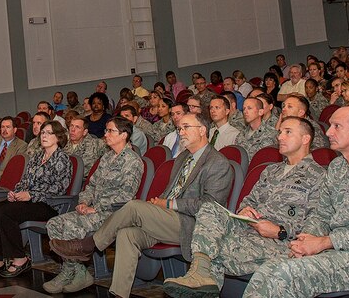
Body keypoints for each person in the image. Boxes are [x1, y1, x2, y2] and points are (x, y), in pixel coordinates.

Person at [49, 112, 233, 298]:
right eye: (179, 128)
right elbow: (171, 191)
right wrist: (159, 203)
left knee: (133, 206)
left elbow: (211, 206)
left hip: (193, 225)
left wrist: (169, 203)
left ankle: (90, 245)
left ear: (202, 130)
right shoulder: (183, 158)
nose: (181, 132)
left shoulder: (217, 162)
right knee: (127, 234)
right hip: (167, 219)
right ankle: (119, 294)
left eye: (186, 127)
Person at [244, 106, 349, 297]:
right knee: (268, 270)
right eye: (330, 125)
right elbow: (322, 215)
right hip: (336, 250)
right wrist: (305, 241)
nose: (328, 132)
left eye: (337, 126)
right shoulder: (337, 167)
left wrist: (324, 242)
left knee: (287, 273)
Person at [163, 116, 325, 297]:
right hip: (249, 229)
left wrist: (280, 231)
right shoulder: (271, 170)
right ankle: (200, 273)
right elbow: (249, 200)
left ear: (305, 139)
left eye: (287, 132)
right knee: (210, 208)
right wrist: (244, 210)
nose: (279, 137)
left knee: (212, 250)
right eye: (280, 132)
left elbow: (317, 222)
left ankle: (201, 275)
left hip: (281, 242)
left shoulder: (319, 175)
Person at [42, 117, 143, 294]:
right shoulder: (106, 157)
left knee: (72, 227)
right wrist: (83, 202)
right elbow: (91, 185)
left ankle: (71, 272)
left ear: (124, 135)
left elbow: (125, 197)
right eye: (106, 130)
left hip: (113, 214)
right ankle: (76, 271)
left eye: (111, 131)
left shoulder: (133, 161)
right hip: (92, 209)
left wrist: (96, 208)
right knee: (54, 224)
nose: (106, 134)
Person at [0, 121, 72, 278]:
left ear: (58, 137)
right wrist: (15, 193)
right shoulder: (37, 157)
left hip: (48, 204)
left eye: (48, 133)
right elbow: (25, 181)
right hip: (29, 201)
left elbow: (59, 188)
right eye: (42, 132)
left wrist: (31, 195)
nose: (43, 136)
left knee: (5, 212)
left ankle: (20, 258)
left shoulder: (62, 158)